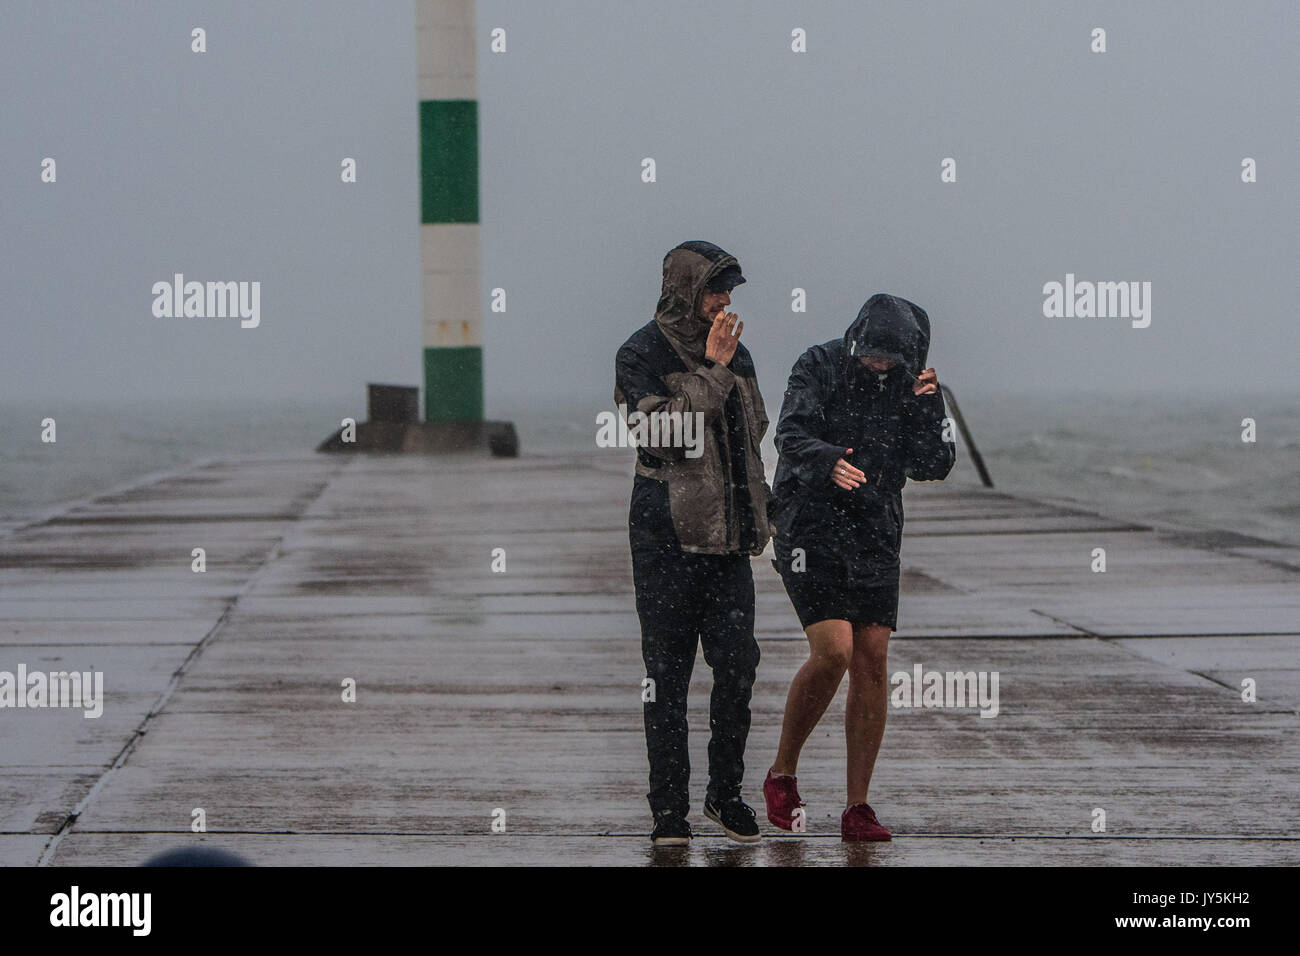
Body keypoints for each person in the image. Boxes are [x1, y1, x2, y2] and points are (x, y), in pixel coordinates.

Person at [762, 293, 956, 841]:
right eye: (871, 353)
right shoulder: (818, 364)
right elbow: (790, 436)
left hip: (875, 533)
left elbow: (933, 465)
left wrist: (927, 407)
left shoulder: (912, 384)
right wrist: (830, 462)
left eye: (888, 358)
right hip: (811, 526)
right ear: (856, 337)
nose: (877, 363)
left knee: (871, 660)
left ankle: (858, 807)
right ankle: (782, 773)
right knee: (835, 651)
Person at [613, 240, 774, 847]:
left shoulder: (740, 354)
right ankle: (668, 812)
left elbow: (753, 434)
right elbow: (665, 437)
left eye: (729, 291)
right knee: (667, 677)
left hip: (728, 543)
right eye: (715, 290)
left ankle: (724, 795)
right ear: (686, 291)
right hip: (666, 539)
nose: (725, 301)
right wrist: (712, 370)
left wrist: (766, 517)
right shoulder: (641, 352)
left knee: (738, 668)